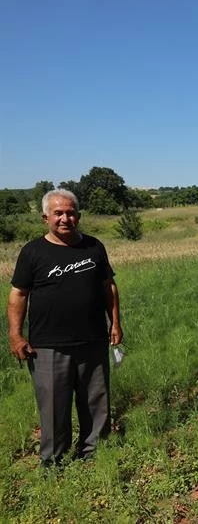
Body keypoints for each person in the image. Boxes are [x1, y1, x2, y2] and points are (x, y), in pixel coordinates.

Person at [7, 189, 123, 466]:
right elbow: (18, 295)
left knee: (96, 401)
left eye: (70, 212)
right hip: (48, 345)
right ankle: (53, 461)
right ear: (45, 217)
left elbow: (109, 287)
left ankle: (94, 454)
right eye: (58, 213)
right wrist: (15, 335)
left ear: (78, 216)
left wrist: (115, 323)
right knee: (54, 407)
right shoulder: (33, 252)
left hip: (93, 340)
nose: (65, 218)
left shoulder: (94, 247)